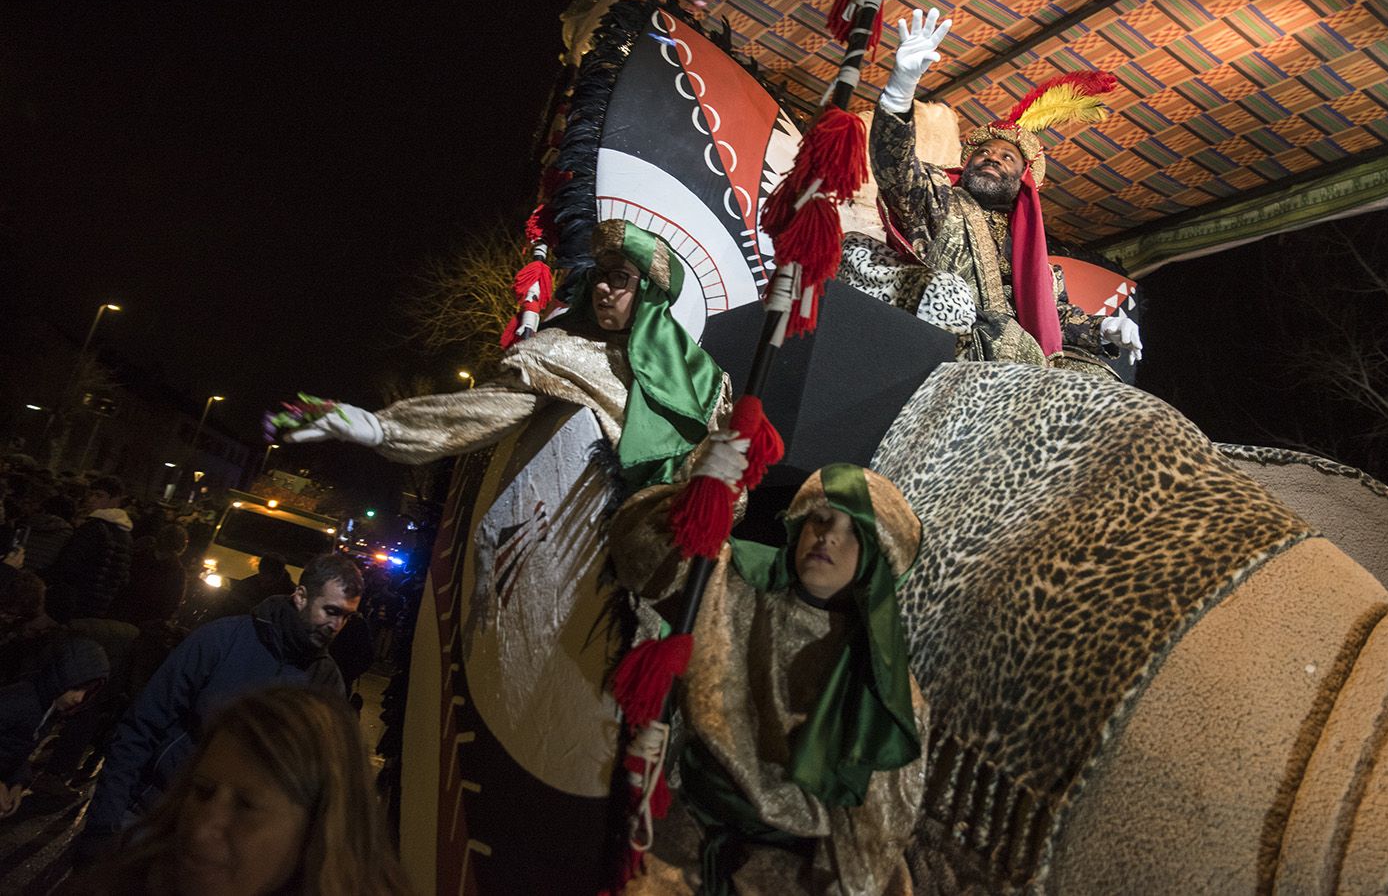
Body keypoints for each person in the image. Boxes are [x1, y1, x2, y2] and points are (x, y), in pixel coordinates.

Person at [609, 459, 927, 895]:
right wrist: (709, 483)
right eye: (819, 518)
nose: (829, 534)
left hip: (796, 870)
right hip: (686, 836)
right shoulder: (732, 579)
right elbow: (642, 557)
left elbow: (877, 828)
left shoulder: (885, 687)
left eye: (854, 530)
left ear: (877, 559)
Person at [280, 219, 727, 493]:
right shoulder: (561, 350)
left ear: (649, 292)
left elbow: (718, 469)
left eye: (619, 277)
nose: (603, 288)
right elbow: (488, 409)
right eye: (600, 275)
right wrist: (380, 427)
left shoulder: (702, 378)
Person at [869, 7, 1144, 371]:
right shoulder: (939, 196)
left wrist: (1105, 326)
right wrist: (900, 89)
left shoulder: (1042, 268)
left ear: (1023, 183)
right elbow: (895, 166)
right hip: (947, 327)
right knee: (1011, 345)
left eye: (1007, 158)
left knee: (1092, 377)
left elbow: (1055, 318)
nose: (991, 158)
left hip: (1019, 350)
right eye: (982, 152)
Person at [78, 553, 361, 848]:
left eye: (346, 616)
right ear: (301, 597)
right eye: (330, 611)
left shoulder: (326, 684)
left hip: (228, 845)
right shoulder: (222, 639)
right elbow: (142, 725)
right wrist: (104, 823)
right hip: (153, 817)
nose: (336, 625)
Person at [65, 684, 411, 895]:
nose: (201, 829)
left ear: (320, 827)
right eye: (201, 791)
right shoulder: (124, 881)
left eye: (245, 805)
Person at [0, 633, 108, 817]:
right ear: (60, 677)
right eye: (76, 688)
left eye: (86, 692)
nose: (79, 698)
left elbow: (18, 750)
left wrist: (17, 784)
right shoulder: (20, 701)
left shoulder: (48, 708)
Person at [45, 475, 134, 621]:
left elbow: (68, 565)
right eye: (90, 494)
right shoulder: (126, 534)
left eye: (99, 496)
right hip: (98, 609)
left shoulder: (94, 528)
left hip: (75, 604)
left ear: (115, 500)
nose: (91, 499)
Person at [107, 523, 189, 626]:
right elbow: (171, 604)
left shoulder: (138, 554)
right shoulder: (177, 572)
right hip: (141, 622)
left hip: (116, 610)